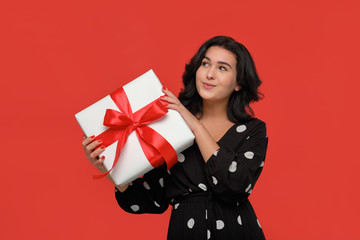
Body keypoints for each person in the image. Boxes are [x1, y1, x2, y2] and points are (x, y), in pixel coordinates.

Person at [82, 36, 268, 239]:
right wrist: (108, 169)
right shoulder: (171, 124)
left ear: (239, 83)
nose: (210, 74)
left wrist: (195, 126)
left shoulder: (253, 130)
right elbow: (150, 198)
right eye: (205, 64)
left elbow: (235, 185)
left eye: (222, 68)